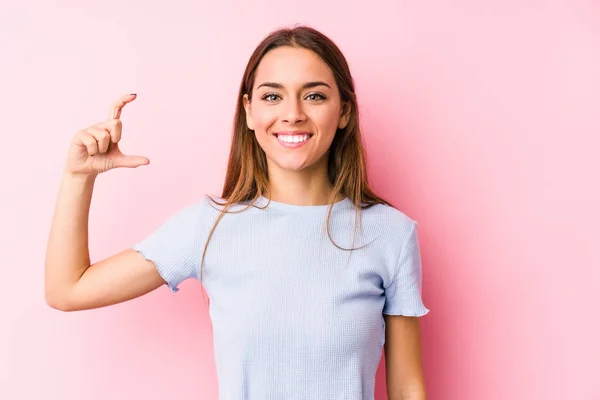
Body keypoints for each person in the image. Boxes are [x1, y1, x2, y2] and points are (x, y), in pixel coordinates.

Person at [45, 25, 430, 400]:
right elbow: (68, 290)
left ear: (344, 111)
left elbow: (406, 389)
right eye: (272, 97)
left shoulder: (390, 235)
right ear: (248, 111)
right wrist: (79, 176)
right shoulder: (209, 225)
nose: (292, 114)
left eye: (314, 96)